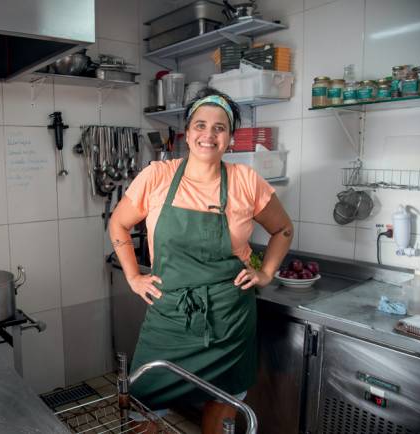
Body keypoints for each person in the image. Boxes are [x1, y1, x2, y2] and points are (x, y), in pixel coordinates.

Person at [108, 88, 293, 434]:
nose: (209, 135)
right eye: (200, 125)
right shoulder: (157, 176)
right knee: (142, 406)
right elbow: (118, 222)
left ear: (231, 137)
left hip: (229, 318)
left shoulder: (245, 180)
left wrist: (266, 271)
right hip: (169, 314)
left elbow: (282, 229)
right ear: (187, 131)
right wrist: (133, 276)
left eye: (219, 128)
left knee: (221, 407)